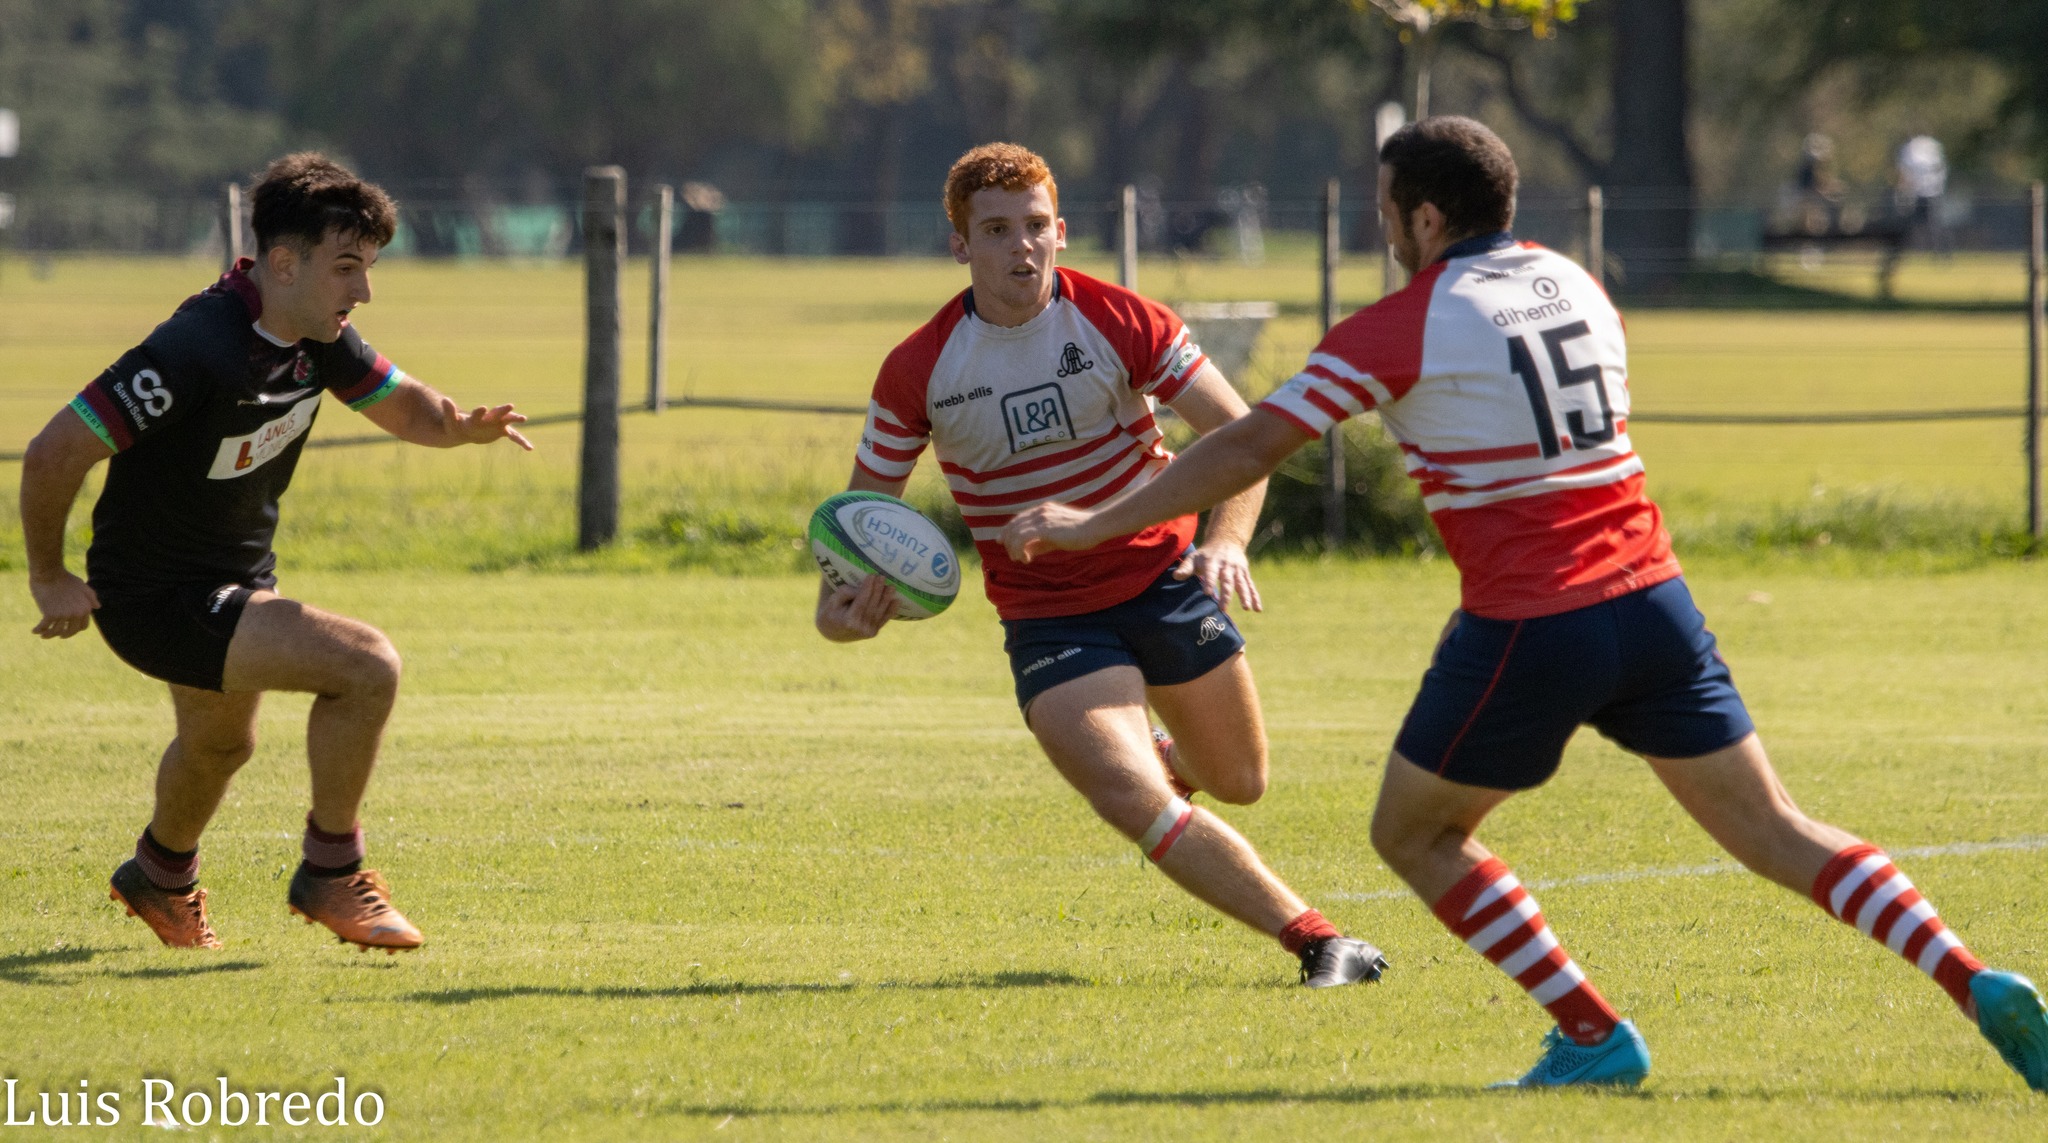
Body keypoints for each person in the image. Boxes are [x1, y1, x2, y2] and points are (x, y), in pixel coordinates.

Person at [1001, 117, 2048, 1092]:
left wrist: (1093, 523)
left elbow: (1245, 445)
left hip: (1531, 620)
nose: (1382, 233)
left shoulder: (1397, 326)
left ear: (1422, 217)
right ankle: (1971, 978)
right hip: (1655, 601)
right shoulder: (1574, 282)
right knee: (1776, 828)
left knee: (1414, 833)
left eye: (1385, 214)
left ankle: (1592, 1033)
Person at [815, 143, 1385, 988]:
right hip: (1050, 620)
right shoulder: (917, 370)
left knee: (1240, 779)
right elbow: (852, 550)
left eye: (1038, 227)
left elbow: (1246, 440)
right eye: (998, 230)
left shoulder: (1123, 320)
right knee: (1130, 796)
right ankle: (1318, 941)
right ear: (959, 245)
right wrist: (847, 615)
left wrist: (1223, 542)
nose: (1022, 248)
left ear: (1062, 232)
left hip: (1163, 581)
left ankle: (1156, 743)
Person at [20, 153, 533, 953]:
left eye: (367, 268)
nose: (362, 291)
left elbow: (407, 406)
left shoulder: (316, 334)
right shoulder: (193, 348)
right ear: (283, 262)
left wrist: (458, 424)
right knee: (366, 666)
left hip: (230, 580)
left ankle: (159, 873)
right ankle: (331, 871)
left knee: (223, 742)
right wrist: (50, 576)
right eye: (348, 268)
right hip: (158, 595)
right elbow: (55, 451)